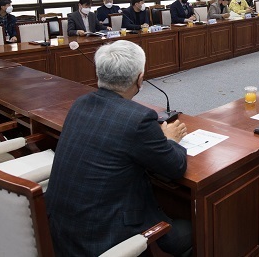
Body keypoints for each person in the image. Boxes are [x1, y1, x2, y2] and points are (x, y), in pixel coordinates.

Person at [45, 40, 192, 256]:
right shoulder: (139, 119)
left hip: (59, 232)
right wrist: (170, 139)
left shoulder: (80, 103)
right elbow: (176, 166)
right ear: (140, 79)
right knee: (192, 231)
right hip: (102, 240)